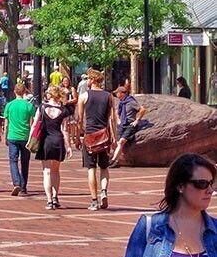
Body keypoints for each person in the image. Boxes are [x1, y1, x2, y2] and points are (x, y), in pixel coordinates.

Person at [117, 153, 216, 257]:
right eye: (202, 184)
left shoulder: (215, 231)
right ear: (180, 186)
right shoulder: (149, 227)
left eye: (211, 183)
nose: (210, 190)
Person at [77, 68, 117, 211]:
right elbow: (112, 118)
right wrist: (114, 138)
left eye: (88, 78)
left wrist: (78, 136)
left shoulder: (84, 96)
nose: (87, 80)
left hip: (90, 136)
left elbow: (79, 119)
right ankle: (104, 191)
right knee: (104, 167)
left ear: (93, 80)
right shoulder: (108, 96)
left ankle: (94, 200)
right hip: (104, 136)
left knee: (91, 169)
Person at [35, 85, 73, 210]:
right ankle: (56, 197)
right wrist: (68, 146)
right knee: (56, 171)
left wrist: (31, 141)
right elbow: (65, 130)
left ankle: (49, 200)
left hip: (46, 141)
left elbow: (35, 125)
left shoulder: (42, 107)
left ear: (50, 94)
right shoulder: (63, 110)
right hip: (58, 141)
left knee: (46, 172)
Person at [3, 83, 36, 196]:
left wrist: (5, 135)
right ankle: (23, 187)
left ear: (14, 92)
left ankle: (16, 182)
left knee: (13, 160)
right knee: (25, 162)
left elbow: (6, 123)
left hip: (12, 135)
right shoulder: (28, 106)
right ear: (24, 92)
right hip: (25, 136)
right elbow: (33, 122)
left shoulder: (10, 105)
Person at [110, 85, 148, 167]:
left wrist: (137, 120)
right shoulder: (121, 102)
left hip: (129, 125)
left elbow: (142, 110)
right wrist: (118, 120)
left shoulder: (131, 102)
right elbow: (117, 112)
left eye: (117, 93)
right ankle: (116, 161)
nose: (116, 95)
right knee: (118, 143)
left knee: (121, 142)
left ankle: (113, 160)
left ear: (122, 93)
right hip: (122, 125)